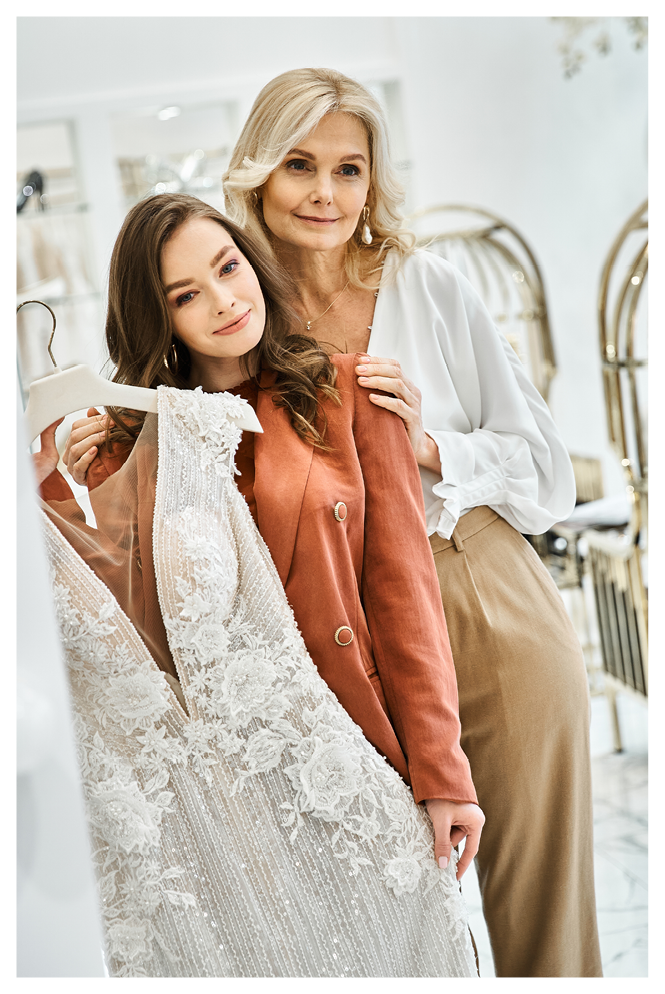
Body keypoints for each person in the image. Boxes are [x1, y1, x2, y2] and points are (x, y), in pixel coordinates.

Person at [214, 68, 600, 978]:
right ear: (258, 172)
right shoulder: (235, 306)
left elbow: (548, 473)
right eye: (300, 164)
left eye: (350, 169)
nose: (324, 193)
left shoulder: (426, 284)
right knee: (379, 922)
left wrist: (433, 447)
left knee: (545, 916)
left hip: (475, 587)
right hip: (329, 628)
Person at [37, 193, 485, 976]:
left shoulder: (352, 392)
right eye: (185, 295)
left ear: (253, 265)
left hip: (349, 755)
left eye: (227, 268)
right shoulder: (132, 441)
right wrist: (58, 483)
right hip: (226, 802)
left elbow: (404, 596)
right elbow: (120, 625)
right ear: (159, 318)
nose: (223, 301)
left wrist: (444, 774)